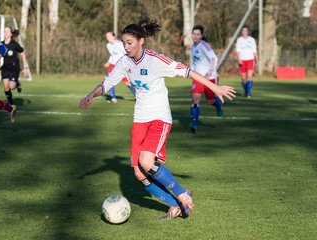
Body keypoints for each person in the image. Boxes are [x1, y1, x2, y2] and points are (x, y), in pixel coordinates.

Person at [79, 16, 236, 220]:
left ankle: (182, 193)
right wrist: (92, 94)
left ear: (141, 40)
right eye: (124, 43)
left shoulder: (156, 60)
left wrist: (215, 87)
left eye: (129, 43)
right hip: (140, 119)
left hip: (159, 117)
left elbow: (188, 72)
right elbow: (107, 82)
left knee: (146, 161)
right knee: (138, 173)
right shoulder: (124, 62)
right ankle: (175, 206)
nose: (126, 47)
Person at [189, 25, 223, 134]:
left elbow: (214, 58)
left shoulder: (204, 46)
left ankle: (217, 104)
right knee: (195, 99)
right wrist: (190, 71)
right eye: (194, 34)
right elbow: (196, 63)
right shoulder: (193, 47)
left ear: (201, 36)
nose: (195, 36)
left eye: (198, 34)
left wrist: (209, 72)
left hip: (210, 77)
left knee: (209, 101)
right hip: (198, 77)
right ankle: (194, 123)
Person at [0, 26, 29, 105]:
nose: (5, 33)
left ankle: (17, 83)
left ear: (10, 34)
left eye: (7, 32)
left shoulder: (14, 44)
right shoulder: (1, 44)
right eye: (4, 31)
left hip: (14, 67)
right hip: (5, 67)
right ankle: (11, 105)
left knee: (11, 86)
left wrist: (25, 67)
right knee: (6, 88)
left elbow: (22, 54)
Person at [104, 31, 135, 103]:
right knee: (109, 80)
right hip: (113, 65)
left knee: (126, 82)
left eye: (109, 36)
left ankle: (138, 95)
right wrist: (108, 62)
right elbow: (113, 55)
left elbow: (127, 53)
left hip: (121, 65)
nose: (107, 38)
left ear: (113, 36)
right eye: (107, 37)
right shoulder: (108, 45)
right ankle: (113, 97)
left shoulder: (120, 44)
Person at [236, 26, 258, 98]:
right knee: (243, 78)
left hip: (250, 60)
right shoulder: (239, 40)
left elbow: (254, 50)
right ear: (241, 32)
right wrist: (239, 59)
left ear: (248, 32)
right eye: (243, 31)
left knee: (249, 76)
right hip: (242, 60)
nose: (244, 32)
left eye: (246, 30)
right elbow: (238, 50)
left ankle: (248, 93)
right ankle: (246, 91)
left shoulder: (252, 40)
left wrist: (256, 59)